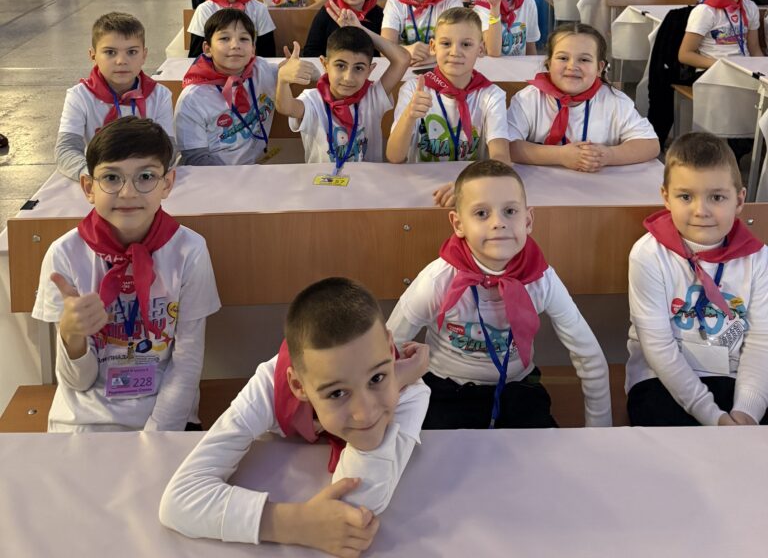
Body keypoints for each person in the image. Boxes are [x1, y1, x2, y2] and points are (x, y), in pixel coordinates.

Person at [159, 277, 430, 552]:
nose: (365, 412)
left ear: (389, 347)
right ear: (298, 386)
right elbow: (180, 500)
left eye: (377, 378)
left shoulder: (411, 393)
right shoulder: (269, 387)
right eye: (337, 393)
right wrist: (296, 524)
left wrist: (396, 382)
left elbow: (359, 504)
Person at [387, 159, 612, 429]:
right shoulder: (438, 280)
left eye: (510, 211)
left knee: (544, 449)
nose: (498, 223)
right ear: (458, 224)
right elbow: (389, 345)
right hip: (447, 388)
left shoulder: (542, 279)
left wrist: (600, 431)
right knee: (439, 450)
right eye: (482, 213)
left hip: (518, 386)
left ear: (528, 220)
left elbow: (588, 354)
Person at [34, 118, 220, 432]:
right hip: (85, 420)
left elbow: (186, 362)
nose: (128, 192)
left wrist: (158, 434)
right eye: (111, 177)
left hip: (165, 414)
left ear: (167, 184)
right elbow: (77, 382)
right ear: (89, 188)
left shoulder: (190, 250)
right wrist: (71, 334)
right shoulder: (65, 255)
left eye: (146, 176)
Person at [626, 133, 768, 427]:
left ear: (740, 200)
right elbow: (659, 348)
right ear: (666, 197)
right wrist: (713, 417)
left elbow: (761, 342)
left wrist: (746, 412)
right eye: (686, 197)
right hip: (661, 378)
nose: (701, 211)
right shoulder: (648, 255)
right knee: (667, 430)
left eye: (717, 197)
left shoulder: (758, 258)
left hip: (735, 375)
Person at [507, 23, 659, 171]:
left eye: (584, 60)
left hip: (600, 185)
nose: (572, 66)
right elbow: (507, 145)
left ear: (599, 68)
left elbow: (650, 144)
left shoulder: (615, 101)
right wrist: (560, 156)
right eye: (563, 58)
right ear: (549, 63)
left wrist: (608, 155)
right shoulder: (528, 99)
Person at [54, 12, 174, 181]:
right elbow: (66, 149)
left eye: (132, 52)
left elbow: (168, 149)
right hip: (98, 179)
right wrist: (96, 176)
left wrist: (141, 175)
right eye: (110, 52)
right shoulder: (79, 96)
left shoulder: (160, 95)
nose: (121, 61)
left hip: (145, 179)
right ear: (93, 55)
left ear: (144, 55)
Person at [387, 8, 509, 165]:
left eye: (466, 44)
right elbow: (394, 156)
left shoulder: (491, 95)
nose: (455, 52)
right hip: (424, 178)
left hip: (473, 178)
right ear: (433, 47)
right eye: (446, 43)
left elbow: (501, 157)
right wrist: (409, 116)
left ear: (480, 49)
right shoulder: (413, 90)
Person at [277, 21, 409, 165]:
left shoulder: (373, 96)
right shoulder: (313, 100)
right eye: (340, 66)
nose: (348, 78)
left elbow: (402, 59)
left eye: (358, 68)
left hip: (369, 177)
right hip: (322, 178)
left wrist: (361, 30)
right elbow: (286, 107)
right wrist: (283, 80)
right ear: (325, 64)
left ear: (370, 70)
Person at [175, 8, 277, 166]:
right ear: (207, 49)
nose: (235, 45)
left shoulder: (260, 69)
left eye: (243, 39)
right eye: (224, 38)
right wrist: (233, 178)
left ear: (253, 49)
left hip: (255, 169)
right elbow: (196, 159)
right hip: (213, 175)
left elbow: (289, 71)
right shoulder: (193, 98)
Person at [678, 0, 762, 70]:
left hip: (744, 71)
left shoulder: (751, 7)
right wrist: (724, 65)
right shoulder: (705, 12)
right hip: (713, 71)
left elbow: (755, 50)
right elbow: (685, 55)